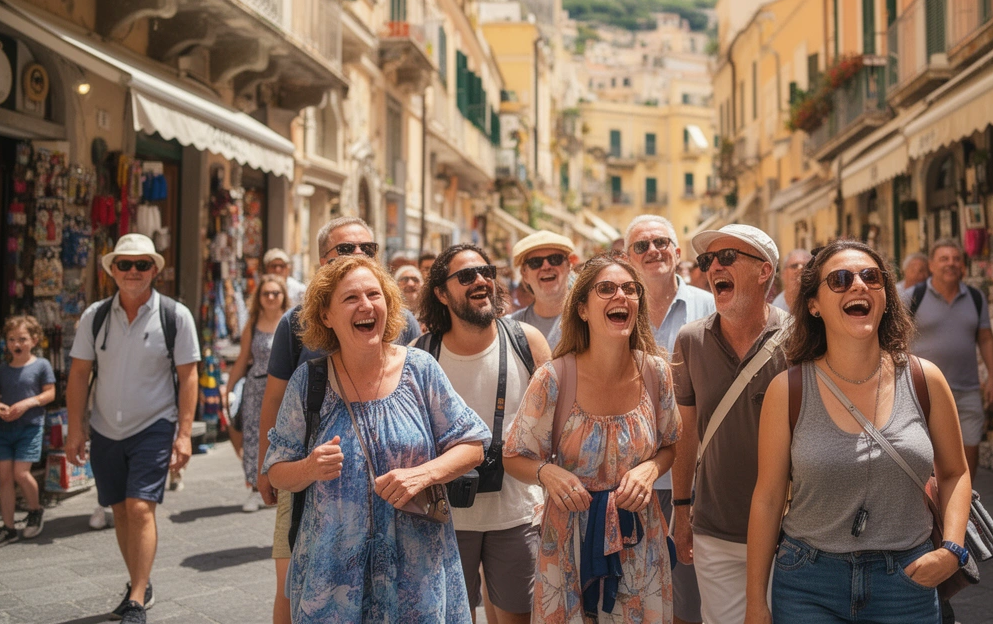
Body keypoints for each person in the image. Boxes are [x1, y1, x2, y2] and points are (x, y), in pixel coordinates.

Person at [745, 240, 973, 624]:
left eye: (871, 277)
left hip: (907, 581)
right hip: (808, 582)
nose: (859, 286)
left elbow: (955, 472)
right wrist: (755, 603)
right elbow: (767, 498)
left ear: (885, 297)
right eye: (839, 279)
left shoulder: (924, 379)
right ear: (813, 304)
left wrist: (952, 548)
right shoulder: (787, 391)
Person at [264, 254, 490, 622]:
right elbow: (276, 470)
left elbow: (473, 445)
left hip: (417, 571)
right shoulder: (309, 382)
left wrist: (425, 474)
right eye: (350, 298)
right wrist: (308, 467)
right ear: (326, 316)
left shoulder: (420, 370)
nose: (366, 306)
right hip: (334, 577)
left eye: (374, 295)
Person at [255, 216, 423, 624]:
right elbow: (275, 397)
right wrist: (265, 466)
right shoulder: (295, 323)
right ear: (321, 261)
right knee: (291, 584)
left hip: (389, 487)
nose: (359, 256)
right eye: (346, 250)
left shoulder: (402, 322)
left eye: (368, 249)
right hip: (307, 478)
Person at [503, 254, 681, 623]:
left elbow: (669, 444)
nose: (622, 296)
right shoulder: (554, 378)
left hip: (639, 540)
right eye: (607, 289)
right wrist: (547, 474)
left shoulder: (656, 373)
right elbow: (513, 456)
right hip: (569, 540)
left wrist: (650, 469)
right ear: (582, 309)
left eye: (630, 290)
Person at [66, 234, 201, 624]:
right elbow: (78, 375)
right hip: (105, 427)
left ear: (155, 270)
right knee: (120, 510)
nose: (133, 272)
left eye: (142, 264)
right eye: (124, 264)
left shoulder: (175, 316)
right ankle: (138, 580)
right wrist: (76, 429)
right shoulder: (95, 316)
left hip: (154, 425)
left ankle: (137, 599)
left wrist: (184, 434)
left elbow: (188, 377)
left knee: (141, 507)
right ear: (111, 270)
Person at [415, 244, 553, 624]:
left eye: (486, 271)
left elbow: (556, 424)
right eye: (465, 276)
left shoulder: (527, 341)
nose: (480, 280)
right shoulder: (422, 354)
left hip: (517, 514)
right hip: (445, 520)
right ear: (441, 293)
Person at [672, 224, 789, 624]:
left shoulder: (800, 339)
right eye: (708, 260)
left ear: (764, 272)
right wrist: (681, 509)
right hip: (714, 529)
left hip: (789, 532)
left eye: (727, 257)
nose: (713, 267)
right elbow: (687, 433)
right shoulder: (690, 341)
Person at [625, 214, 716, 624]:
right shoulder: (617, 309)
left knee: (689, 603)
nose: (653, 251)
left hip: (696, 480)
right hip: (630, 479)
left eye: (661, 242)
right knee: (634, 597)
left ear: (678, 253)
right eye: (641, 246)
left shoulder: (710, 306)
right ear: (628, 257)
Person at [903, 238, 993, 479]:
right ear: (932, 265)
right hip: (923, 392)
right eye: (944, 259)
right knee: (929, 457)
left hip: (967, 390)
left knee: (969, 451)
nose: (951, 264)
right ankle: (933, 511)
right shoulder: (912, 296)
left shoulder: (976, 298)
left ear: (963, 265)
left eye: (956, 259)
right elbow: (895, 338)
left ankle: (965, 505)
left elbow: (986, 339)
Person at [0, 315, 56, 548]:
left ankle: (35, 510)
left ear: (34, 340)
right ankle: (8, 527)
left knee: (21, 473)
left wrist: (27, 403)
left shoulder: (41, 365)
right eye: (12, 339)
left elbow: (50, 393)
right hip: (5, 428)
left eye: (22, 339)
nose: (17, 344)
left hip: (29, 427)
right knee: (4, 476)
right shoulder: (4, 370)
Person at [224, 274, 289, 513]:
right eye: (266, 293)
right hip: (255, 389)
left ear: (283, 296)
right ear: (259, 297)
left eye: (275, 293)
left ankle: (281, 484)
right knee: (254, 437)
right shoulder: (252, 324)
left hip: (284, 389)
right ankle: (254, 487)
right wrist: (229, 388)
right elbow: (242, 359)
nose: (271, 297)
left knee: (281, 436)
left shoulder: (291, 322)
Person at [507, 231, 577, 349]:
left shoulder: (588, 319)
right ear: (524, 274)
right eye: (536, 262)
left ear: (569, 266)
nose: (546, 266)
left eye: (555, 259)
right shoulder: (512, 327)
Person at [770, 249, 813, 313]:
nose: (800, 269)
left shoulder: (820, 303)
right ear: (783, 274)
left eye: (806, 266)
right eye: (794, 266)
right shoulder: (777, 309)